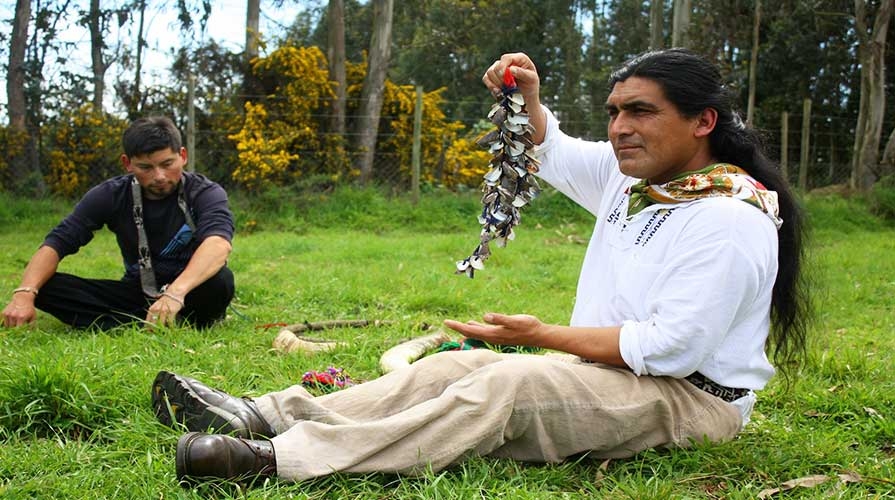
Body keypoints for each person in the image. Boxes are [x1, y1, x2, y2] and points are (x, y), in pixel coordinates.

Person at [150, 48, 810, 485]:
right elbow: (547, 149)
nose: (617, 128)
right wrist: (528, 93)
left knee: (508, 387)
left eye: (639, 111)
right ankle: (262, 413)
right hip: (608, 373)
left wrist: (538, 338)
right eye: (613, 112)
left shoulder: (727, 218)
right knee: (451, 366)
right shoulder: (633, 181)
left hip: (689, 402)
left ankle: (279, 460)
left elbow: (670, 350)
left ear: (702, 122)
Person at [2, 116, 235, 330]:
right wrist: (24, 294)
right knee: (45, 286)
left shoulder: (206, 192)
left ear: (183, 156)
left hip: (189, 290)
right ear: (128, 163)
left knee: (221, 281)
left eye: (167, 164)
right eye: (146, 167)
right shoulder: (110, 194)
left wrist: (175, 293)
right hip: (138, 290)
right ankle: (149, 320)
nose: (159, 176)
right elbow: (57, 242)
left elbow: (218, 244)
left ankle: (142, 319)